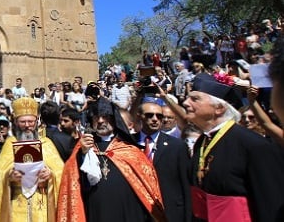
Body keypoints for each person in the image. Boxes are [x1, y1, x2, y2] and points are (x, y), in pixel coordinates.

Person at [184, 72, 284, 221]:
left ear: (219, 109)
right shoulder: (203, 141)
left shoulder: (254, 145)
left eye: (194, 99)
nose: (185, 103)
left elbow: (270, 204)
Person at [58, 97, 166, 222]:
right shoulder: (82, 148)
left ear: (114, 119)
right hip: (95, 212)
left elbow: (147, 185)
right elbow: (75, 182)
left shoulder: (129, 150)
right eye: (96, 117)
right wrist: (82, 154)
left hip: (127, 211)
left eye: (105, 116)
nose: (100, 121)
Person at [0, 97, 64, 221]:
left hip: (42, 208)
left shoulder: (46, 144)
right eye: (23, 122)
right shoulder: (10, 143)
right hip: (17, 206)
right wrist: (10, 176)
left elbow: (60, 175)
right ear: (16, 122)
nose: (27, 125)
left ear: (37, 121)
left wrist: (50, 175)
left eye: (31, 121)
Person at [134, 97, 191, 222]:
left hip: (169, 212)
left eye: (159, 116)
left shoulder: (177, 146)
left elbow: (186, 186)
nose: (155, 119)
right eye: (150, 115)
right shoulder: (128, 143)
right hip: (136, 210)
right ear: (140, 117)